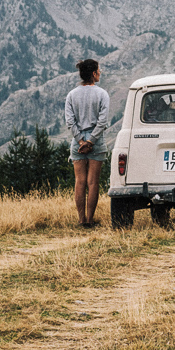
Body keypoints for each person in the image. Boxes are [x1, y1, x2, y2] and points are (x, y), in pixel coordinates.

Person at [64, 58, 110, 227]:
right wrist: (91, 141)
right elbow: (102, 121)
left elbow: (70, 122)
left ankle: (81, 219)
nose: (100, 73)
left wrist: (81, 141)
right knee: (93, 182)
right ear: (93, 73)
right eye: (99, 70)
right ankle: (90, 220)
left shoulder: (71, 95)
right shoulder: (102, 94)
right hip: (96, 141)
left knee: (80, 182)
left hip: (77, 142)